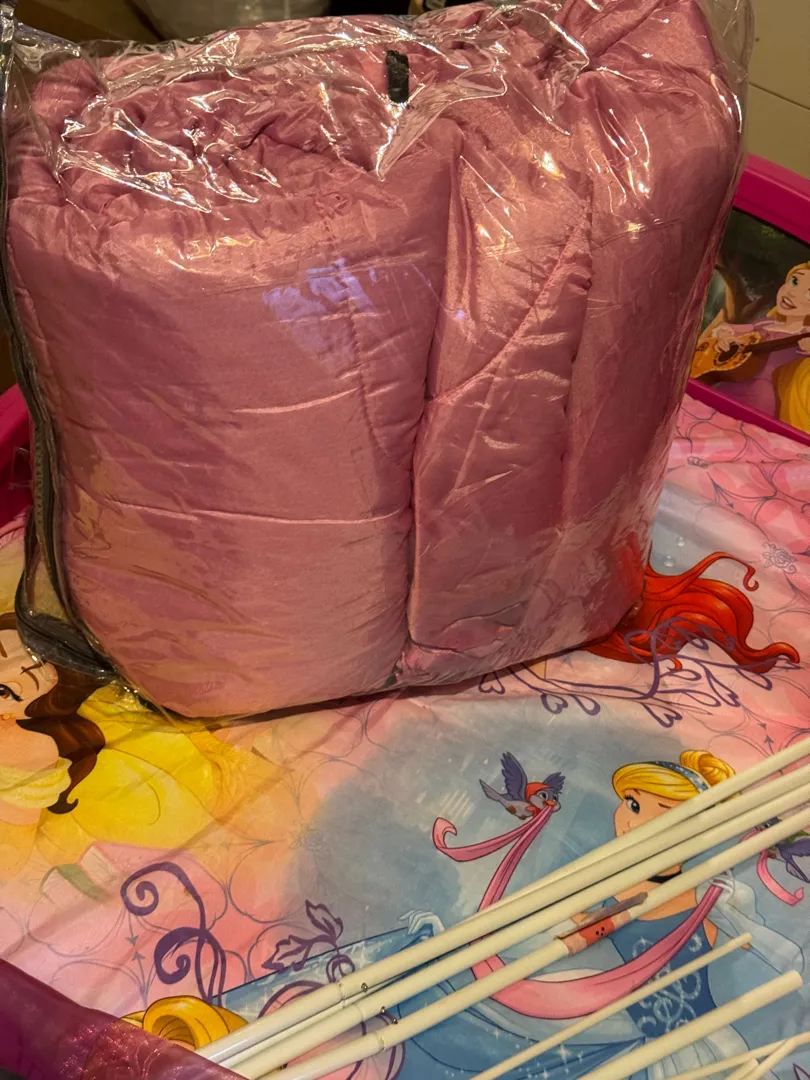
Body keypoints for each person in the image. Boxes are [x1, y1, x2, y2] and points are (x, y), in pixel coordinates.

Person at [698, 261, 810, 430]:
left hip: (758, 398)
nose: (792, 294)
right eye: (794, 282)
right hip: (731, 384)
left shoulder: (805, 334)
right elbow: (727, 329)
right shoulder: (767, 323)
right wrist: (725, 338)